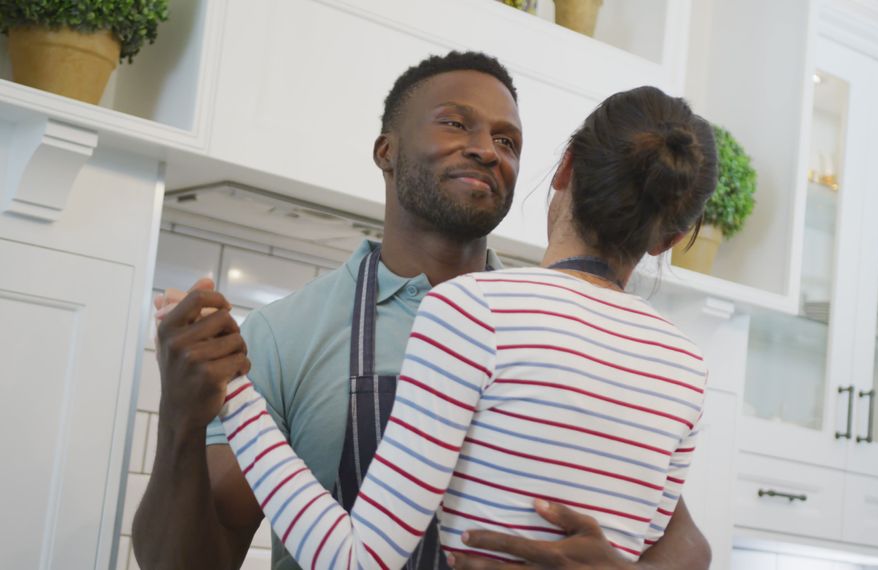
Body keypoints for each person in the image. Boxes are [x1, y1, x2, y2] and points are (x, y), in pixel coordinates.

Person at [132, 52, 711, 570]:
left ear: (559, 173)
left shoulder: (548, 331)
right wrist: (182, 419)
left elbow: (687, 543)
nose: (487, 148)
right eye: (456, 123)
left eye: (509, 142)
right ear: (387, 150)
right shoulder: (282, 336)